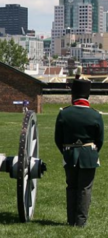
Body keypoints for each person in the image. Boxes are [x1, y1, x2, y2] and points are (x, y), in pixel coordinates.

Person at [55, 71, 104, 227]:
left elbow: (58, 139)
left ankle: (71, 221)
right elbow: (100, 140)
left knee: (71, 188)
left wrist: (66, 151)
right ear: (87, 95)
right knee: (85, 189)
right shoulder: (95, 115)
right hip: (88, 154)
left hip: (69, 154)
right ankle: (81, 222)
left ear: (73, 95)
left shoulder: (64, 113)